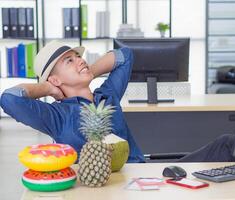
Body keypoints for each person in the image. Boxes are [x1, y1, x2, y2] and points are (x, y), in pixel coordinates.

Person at [0, 40, 145, 163]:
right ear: (55, 79)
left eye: (78, 57)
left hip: (134, 175)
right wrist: (49, 88)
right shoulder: (57, 116)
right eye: (69, 61)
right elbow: (9, 99)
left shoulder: (108, 95)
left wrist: (89, 71)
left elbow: (125, 55)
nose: (81, 60)